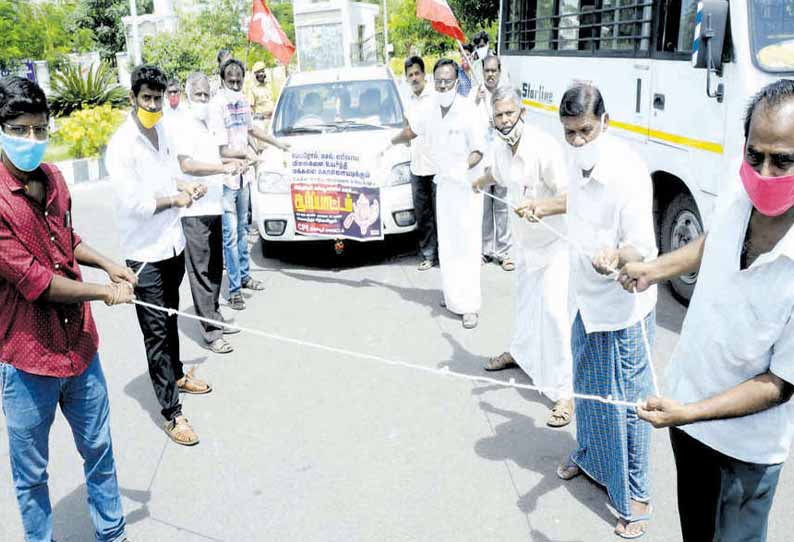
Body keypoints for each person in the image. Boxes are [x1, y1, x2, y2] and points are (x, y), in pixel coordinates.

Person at [619, 79, 794, 542]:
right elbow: (710, 245)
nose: (765, 173)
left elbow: (779, 384)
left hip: (743, 453)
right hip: (687, 421)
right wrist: (653, 269)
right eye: (754, 156)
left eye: (783, 161)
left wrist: (690, 412)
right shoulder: (742, 198)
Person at [0, 76, 136, 542]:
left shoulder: (55, 180)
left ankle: (112, 534)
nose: (32, 140)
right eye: (19, 130)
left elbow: (66, 240)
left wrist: (108, 263)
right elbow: (36, 282)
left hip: (80, 349)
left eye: (40, 129)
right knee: (31, 476)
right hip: (27, 360)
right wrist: (103, 292)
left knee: (100, 451)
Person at [545, 84, 658, 539]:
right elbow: (573, 201)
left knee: (629, 403)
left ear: (605, 123)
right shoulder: (574, 158)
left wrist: (616, 254)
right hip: (587, 299)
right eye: (569, 132)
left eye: (584, 131)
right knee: (589, 386)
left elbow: (644, 247)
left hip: (624, 307)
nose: (576, 141)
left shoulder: (629, 171)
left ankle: (636, 497)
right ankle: (590, 456)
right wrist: (541, 207)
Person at [107, 64, 212, 447]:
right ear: (133, 98)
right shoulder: (121, 145)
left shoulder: (162, 131)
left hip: (172, 245)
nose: (153, 104)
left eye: (157, 97)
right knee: (155, 333)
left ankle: (178, 372)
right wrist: (175, 200)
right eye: (146, 98)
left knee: (171, 316)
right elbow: (134, 203)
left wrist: (187, 186)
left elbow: (170, 175)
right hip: (144, 255)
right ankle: (172, 412)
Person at [472, 86, 573, 427]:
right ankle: (520, 352)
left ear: (522, 114)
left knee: (555, 315)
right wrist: (478, 181)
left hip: (554, 246)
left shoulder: (545, 148)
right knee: (524, 306)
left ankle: (565, 393)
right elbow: (497, 175)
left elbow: (570, 197)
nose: (504, 121)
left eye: (509, 114)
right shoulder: (500, 148)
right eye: (498, 115)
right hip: (525, 246)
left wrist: (539, 208)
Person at [389, 59, 485, 329]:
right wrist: (388, 142)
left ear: (457, 81)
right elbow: (411, 131)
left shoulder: (468, 109)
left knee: (467, 244)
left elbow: (479, 150)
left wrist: (461, 166)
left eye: (448, 80)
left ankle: (469, 305)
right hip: (444, 187)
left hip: (466, 188)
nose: (443, 85)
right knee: (449, 243)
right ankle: (453, 296)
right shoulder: (430, 109)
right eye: (439, 80)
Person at [168, 72, 244, 355]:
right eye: (198, 94)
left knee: (214, 267)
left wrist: (236, 161)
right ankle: (210, 332)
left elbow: (214, 159)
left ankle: (215, 315)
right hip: (193, 210)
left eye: (206, 94)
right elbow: (187, 165)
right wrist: (223, 169)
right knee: (200, 270)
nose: (203, 99)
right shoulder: (183, 125)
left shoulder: (208, 123)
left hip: (213, 204)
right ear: (189, 95)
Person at [208, 58, 290, 311]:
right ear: (222, 80)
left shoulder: (243, 101)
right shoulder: (217, 106)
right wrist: (245, 157)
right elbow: (220, 150)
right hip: (226, 179)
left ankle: (244, 276)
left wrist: (277, 143)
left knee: (243, 229)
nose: (234, 84)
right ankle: (233, 290)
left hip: (244, 177)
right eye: (230, 80)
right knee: (230, 236)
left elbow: (251, 130)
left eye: (238, 80)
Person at [476, 55, 513, 271]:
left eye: (493, 70)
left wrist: (499, 123)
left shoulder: (506, 96)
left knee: (502, 207)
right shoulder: (476, 95)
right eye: (487, 71)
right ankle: (485, 250)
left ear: (499, 71)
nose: (490, 74)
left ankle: (505, 252)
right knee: (483, 207)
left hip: (502, 159)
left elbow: (515, 122)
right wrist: (476, 102)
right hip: (482, 161)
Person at [403, 56, 437, 271]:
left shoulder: (435, 98)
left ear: (424, 74)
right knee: (423, 214)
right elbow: (407, 129)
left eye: (417, 73)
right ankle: (428, 254)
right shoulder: (408, 101)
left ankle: (445, 255)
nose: (414, 78)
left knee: (441, 213)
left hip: (437, 166)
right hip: (417, 166)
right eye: (410, 75)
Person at [245, 61, 275, 133]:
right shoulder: (252, 89)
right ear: (255, 74)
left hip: (273, 120)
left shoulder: (268, 85)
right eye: (259, 72)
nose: (261, 74)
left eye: (262, 71)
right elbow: (251, 110)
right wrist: (261, 116)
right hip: (261, 123)